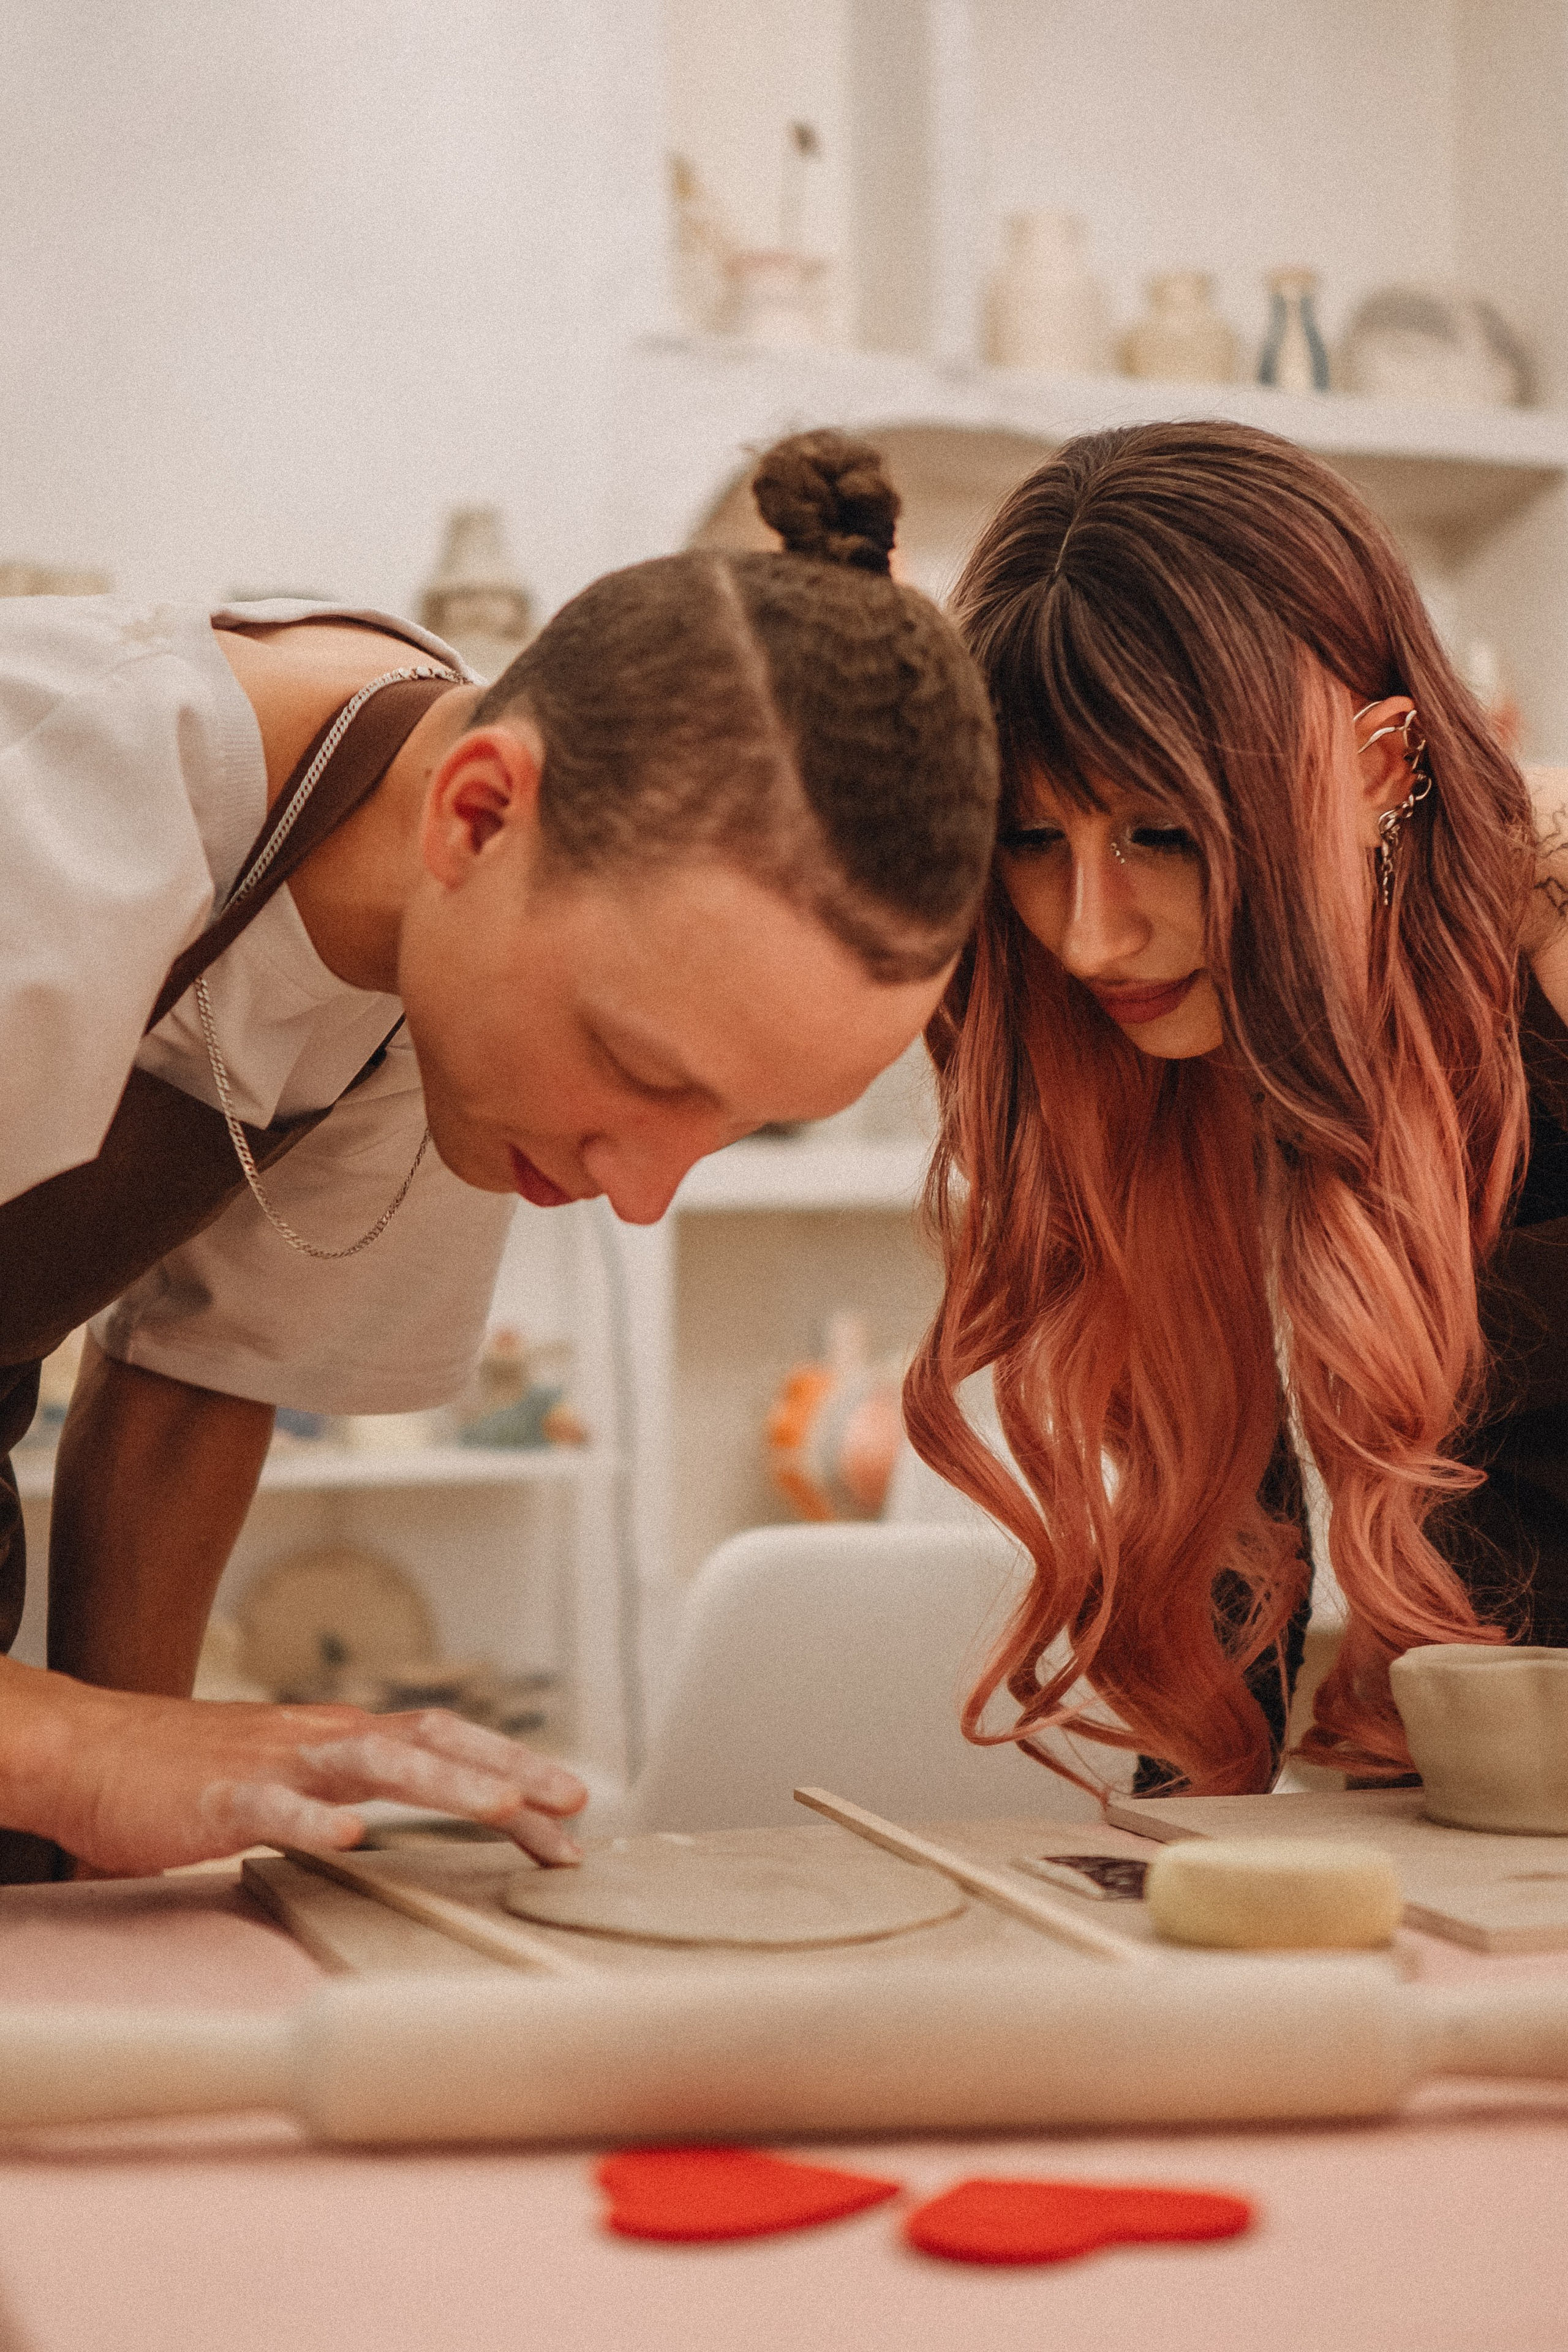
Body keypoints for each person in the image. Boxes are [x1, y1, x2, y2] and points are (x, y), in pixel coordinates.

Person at [0, 430, 998, 1878]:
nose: (645, 1192)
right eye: (643, 1071)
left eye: (733, 1126)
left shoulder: (448, 961)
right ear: (480, 812)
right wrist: (80, 1750)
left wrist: (131, 1861)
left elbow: (192, 1394)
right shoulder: (49, 810)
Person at [904, 417, 1561, 1798]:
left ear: (1384, 769)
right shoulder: (1149, 1066)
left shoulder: (1551, 940)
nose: (1088, 938)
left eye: (1162, 833)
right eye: (1033, 839)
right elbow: (1219, 1627)